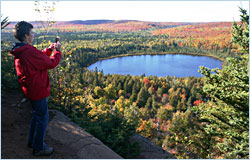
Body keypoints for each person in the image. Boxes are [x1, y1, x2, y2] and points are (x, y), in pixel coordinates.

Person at [10, 21, 62, 156]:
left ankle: (32, 141)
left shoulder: (21, 50)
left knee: (36, 115)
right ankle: (39, 148)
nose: (33, 35)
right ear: (26, 36)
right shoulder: (28, 52)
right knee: (42, 118)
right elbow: (51, 63)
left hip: (30, 89)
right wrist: (58, 52)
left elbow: (38, 58)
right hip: (37, 90)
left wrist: (49, 50)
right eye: (32, 33)